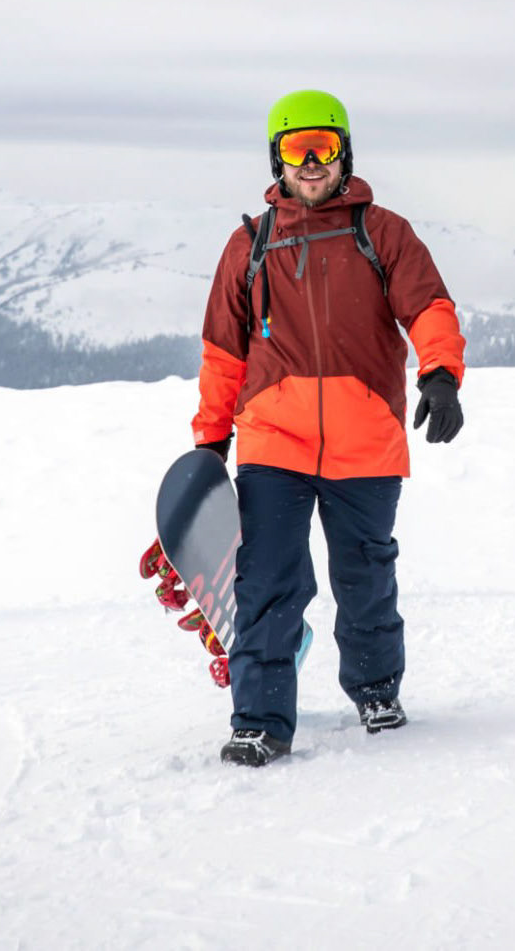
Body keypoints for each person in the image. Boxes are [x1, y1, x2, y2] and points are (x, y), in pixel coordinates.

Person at [192, 89, 467, 766]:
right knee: (268, 580)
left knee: (364, 573)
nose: (310, 162)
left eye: (322, 147)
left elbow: (428, 306)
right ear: (276, 158)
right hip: (272, 442)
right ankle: (259, 718)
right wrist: (209, 440)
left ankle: (375, 687)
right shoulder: (249, 244)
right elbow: (223, 352)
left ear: (345, 152)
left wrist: (441, 373)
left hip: (365, 438)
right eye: (295, 148)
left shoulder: (383, 232)